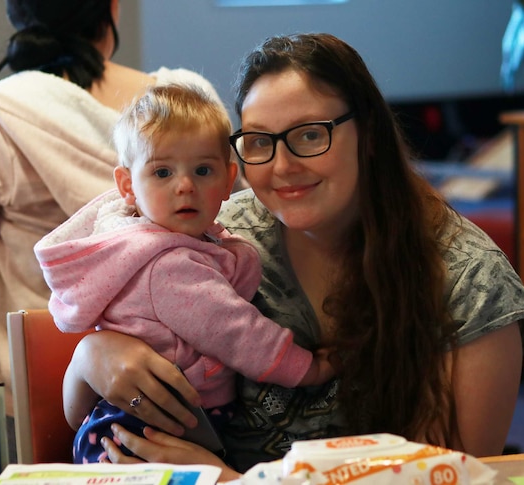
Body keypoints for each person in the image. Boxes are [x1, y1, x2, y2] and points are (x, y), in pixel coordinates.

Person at [63, 33, 524, 480]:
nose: (282, 166)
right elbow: (72, 412)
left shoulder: (468, 281)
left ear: (369, 135)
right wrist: (90, 357)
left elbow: (456, 475)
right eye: (258, 142)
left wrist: (227, 480)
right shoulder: (218, 235)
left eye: (310, 135)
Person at [0, 0, 223, 423]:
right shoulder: (192, 111)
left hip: (30, 398)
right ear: (112, 8)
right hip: (195, 387)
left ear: (18, 15)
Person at [34, 84, 336, 463]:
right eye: (162, 172)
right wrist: (308, 368)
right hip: (151, 429)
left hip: (129, 420)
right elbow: (238, 332)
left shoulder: (154, 242)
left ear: (228, 181)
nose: (185, 185)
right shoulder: (169, 265)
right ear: (128, 185)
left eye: (203, 170)